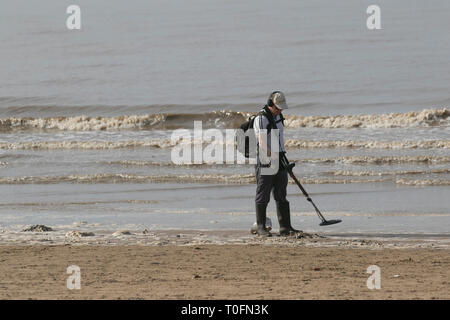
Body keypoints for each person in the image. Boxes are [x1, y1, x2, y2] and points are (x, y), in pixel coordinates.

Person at [253, 91, 301, 237]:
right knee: (263, 194)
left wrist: (281, 159)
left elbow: (279, 139)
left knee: (281, 193)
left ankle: (285, 227)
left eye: (281, 108)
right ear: (270, 104)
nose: (280, 110)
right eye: (277, 107)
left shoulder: (279, 116)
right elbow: (262, 144)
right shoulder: (261, 119)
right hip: (266, 159)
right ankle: (261, 226)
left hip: (280, 157)